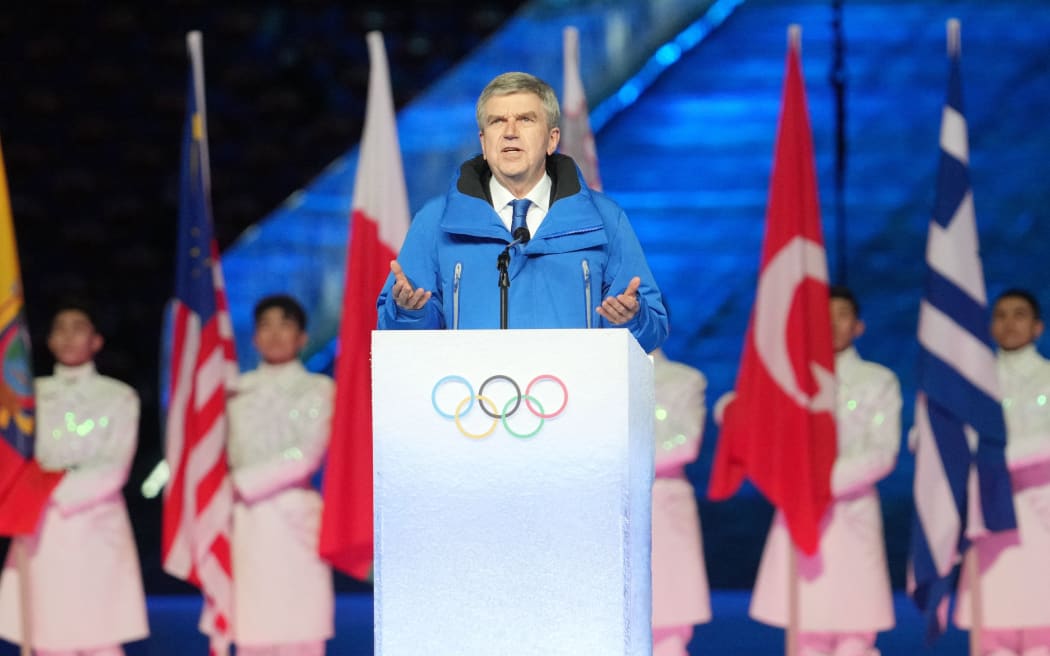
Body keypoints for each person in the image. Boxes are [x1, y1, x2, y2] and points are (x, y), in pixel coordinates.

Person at [376, 71, 668, 352]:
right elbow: (398, 340)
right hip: (471, 399)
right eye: (497, 121)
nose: (510, 133)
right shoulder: (435, 220)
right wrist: (410, 313)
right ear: (483, 141)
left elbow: (650, 334)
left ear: (552, 139)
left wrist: (630, 320)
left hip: (573, 398)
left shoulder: (605, 218)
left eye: (525, 120)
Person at [747, 286, 900, 656]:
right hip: (802, 521)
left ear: (859, 326)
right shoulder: (788, 380)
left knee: (854, 638)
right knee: (805, 636)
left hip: (851, 517)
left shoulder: (878, 380)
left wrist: (816, 483)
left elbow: (882, 452)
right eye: (822, 315)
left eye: (842, 314)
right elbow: (755, 425)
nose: (831, 323)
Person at [0, 301, 149, 655]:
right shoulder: (24, 398)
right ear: (48, 341)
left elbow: (114, 468)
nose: (68, 336)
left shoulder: (119, 396)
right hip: (41, 531)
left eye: (77, 327)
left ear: (96, 341)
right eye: (59, 329)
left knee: (100, 638)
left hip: (97, 530)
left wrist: (48, 486)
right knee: (48, 637)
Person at [228, 294, 334, 656]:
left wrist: (239, 484)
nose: (274, 334)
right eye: (266, 326)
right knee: (251, 637)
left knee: (300, 636)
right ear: (254, 337)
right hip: (245, 525)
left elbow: (305, 455)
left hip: (295, 522)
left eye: (284, 325)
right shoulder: (232, 392)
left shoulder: (320, 389)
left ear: (302, 337)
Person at [954, 288, 1050, 656]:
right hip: (987, 526)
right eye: (1001, 315)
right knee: (992, 639)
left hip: (1038, 525)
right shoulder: (971, 382)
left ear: (1038, 327)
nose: (1010, 323)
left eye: (1020, 314)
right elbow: (938, 439)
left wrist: (993, 457)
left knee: (1040, 640)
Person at [650, 347, 711, 656]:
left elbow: (685, 444)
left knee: (667, 627)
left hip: (664, 502)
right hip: (608, 502)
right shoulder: (596, 375)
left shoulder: (684, 379)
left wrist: (624, 460)